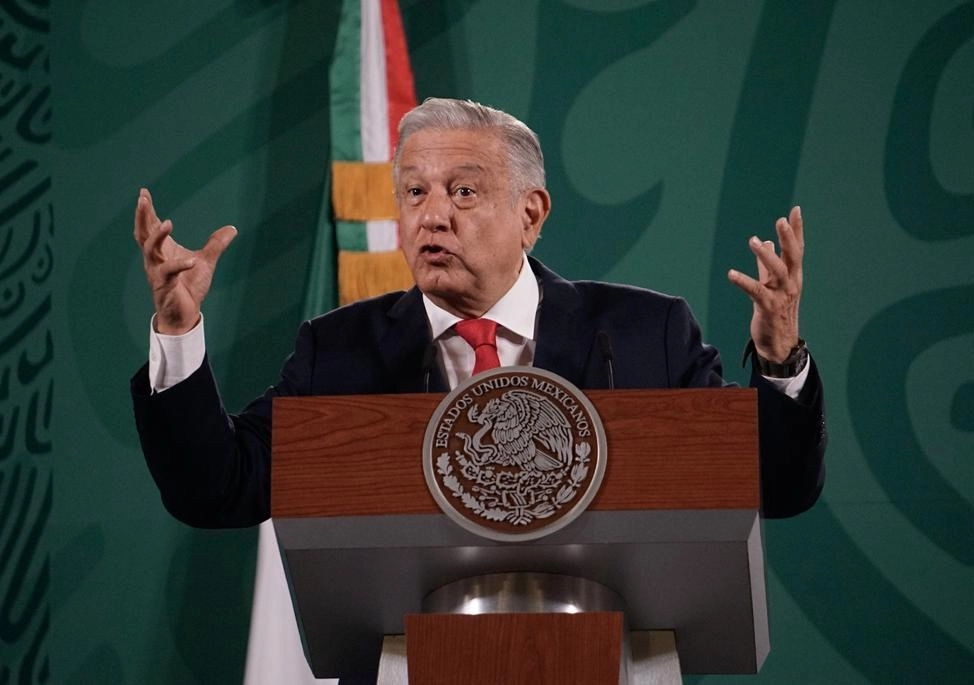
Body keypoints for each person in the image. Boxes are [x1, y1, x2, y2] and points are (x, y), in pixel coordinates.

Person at [131, 98, 825, 528]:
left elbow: (776, 485)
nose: (431, 215)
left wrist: (780, 359)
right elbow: (219, 490)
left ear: (531, 213)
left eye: (463, 191)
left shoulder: (646, 334)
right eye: (413, 191)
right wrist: (177, 332)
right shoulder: (337, 352)